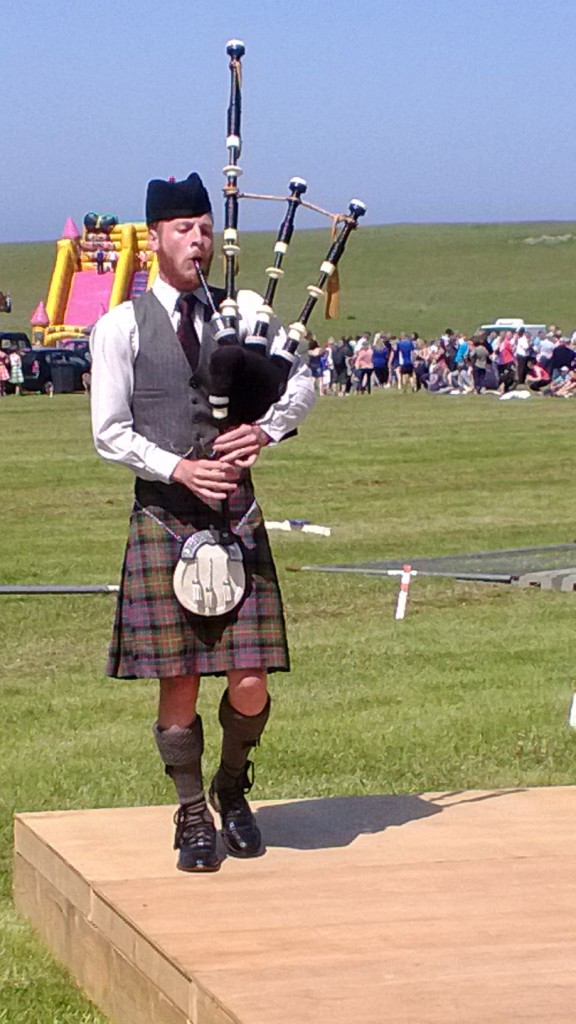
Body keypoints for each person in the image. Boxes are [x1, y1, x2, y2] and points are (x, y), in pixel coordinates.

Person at [90, 172, 316, 874]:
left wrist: (269, 432)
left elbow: (303, 377)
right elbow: (109, 431)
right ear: (155, 235)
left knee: (250, 679)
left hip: (236, 516)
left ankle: (232, 785)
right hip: (167, 516)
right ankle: (192, 811)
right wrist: (178, 468)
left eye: (204, 227)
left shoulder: (242, 312)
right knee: (180, 680)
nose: (198, 239)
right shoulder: (121, 326)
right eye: (183, 228)